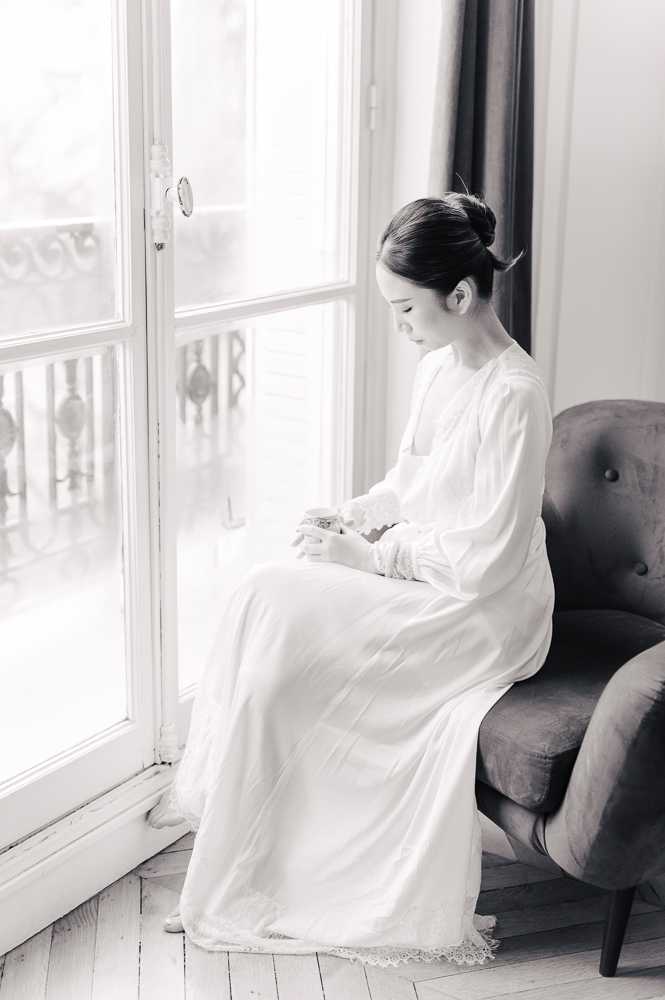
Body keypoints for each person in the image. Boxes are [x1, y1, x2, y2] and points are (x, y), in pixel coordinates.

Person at [146, 192, 555, 968]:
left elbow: (490, 561)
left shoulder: (516, 396)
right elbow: (412, 477)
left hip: (485, 610)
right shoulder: (438, 370)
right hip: (423, 568)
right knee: (264, 598)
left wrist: (373, 558)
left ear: (459, 296)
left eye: (405, 308)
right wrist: (353, 516)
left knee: (288, 673)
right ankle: (232, 875)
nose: (399, 326)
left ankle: (253, 881)